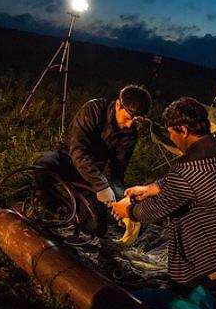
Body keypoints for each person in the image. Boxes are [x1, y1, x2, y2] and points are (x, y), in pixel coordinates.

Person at [111, 97, 216, 297]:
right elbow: (201, 184)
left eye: (171, 132)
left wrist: (128, 210)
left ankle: (201, 298)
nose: (170, 138)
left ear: (183, 130)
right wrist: (151, 187)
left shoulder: (188, 170)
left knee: (182, 283)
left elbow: (155, 210)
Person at [34, 84, 152, 235]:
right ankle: (50, 207)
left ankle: (80, 214)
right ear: (118, 104)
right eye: (127, 118)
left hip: (93, 174)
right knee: (43, 165)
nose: (129, 125)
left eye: (135, 122)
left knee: (96, 228)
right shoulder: (94, 109)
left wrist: (120, 198)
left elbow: (116, 171)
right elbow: (77, 150)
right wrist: (101, 185)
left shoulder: (130, 135)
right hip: (68, 159)